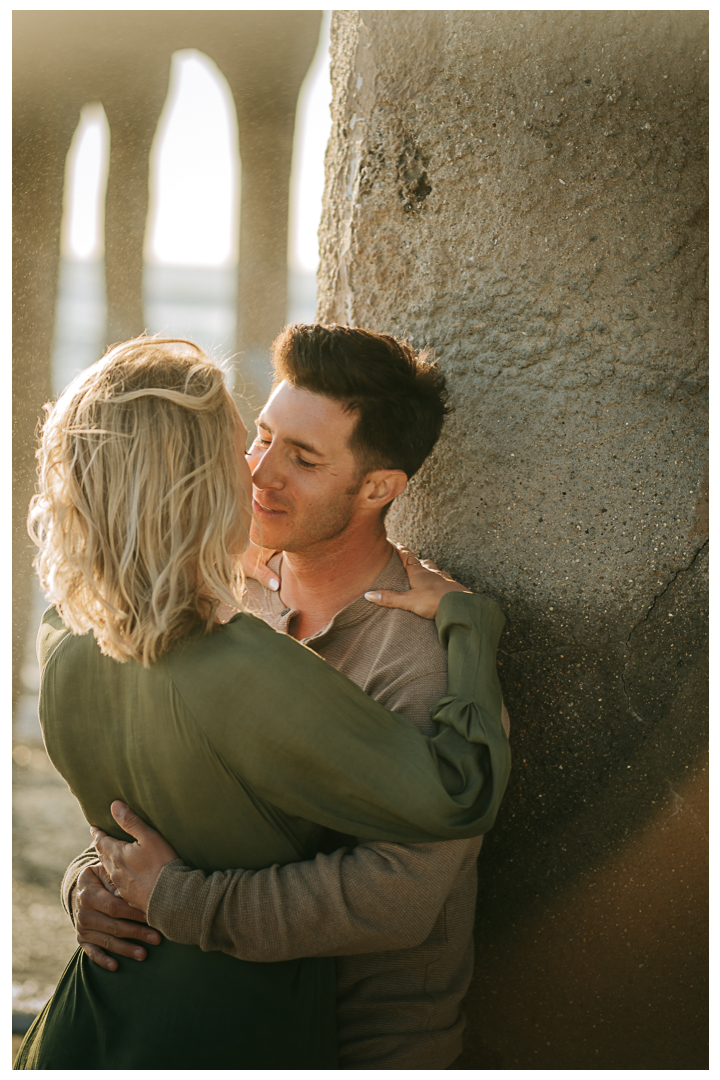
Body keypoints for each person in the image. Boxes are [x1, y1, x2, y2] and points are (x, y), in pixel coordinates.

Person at [14, 334, 510, 1071]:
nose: (258, 474)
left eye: (303, 459)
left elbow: (398, 896)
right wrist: (94, 880)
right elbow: (153, 807)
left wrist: (175, 900)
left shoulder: (419, 656)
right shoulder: (215, 601)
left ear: (378, 488)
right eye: (263, 438)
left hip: (355, 1047)